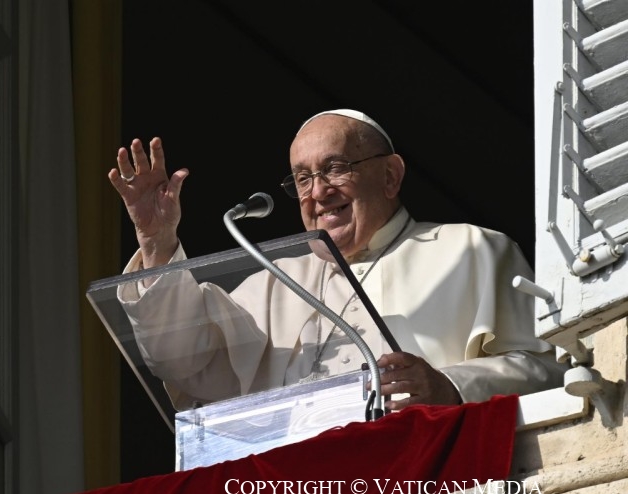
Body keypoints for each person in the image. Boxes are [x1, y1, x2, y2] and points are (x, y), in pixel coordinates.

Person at [107, 109, 567, 413]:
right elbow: (183, 361)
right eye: (302, 178)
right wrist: (157, 240)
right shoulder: (275, 281)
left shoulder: (471, 250)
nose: (318, 192)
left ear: (390, 176)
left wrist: (450, 387)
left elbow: (549, 370)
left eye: (335, 169)